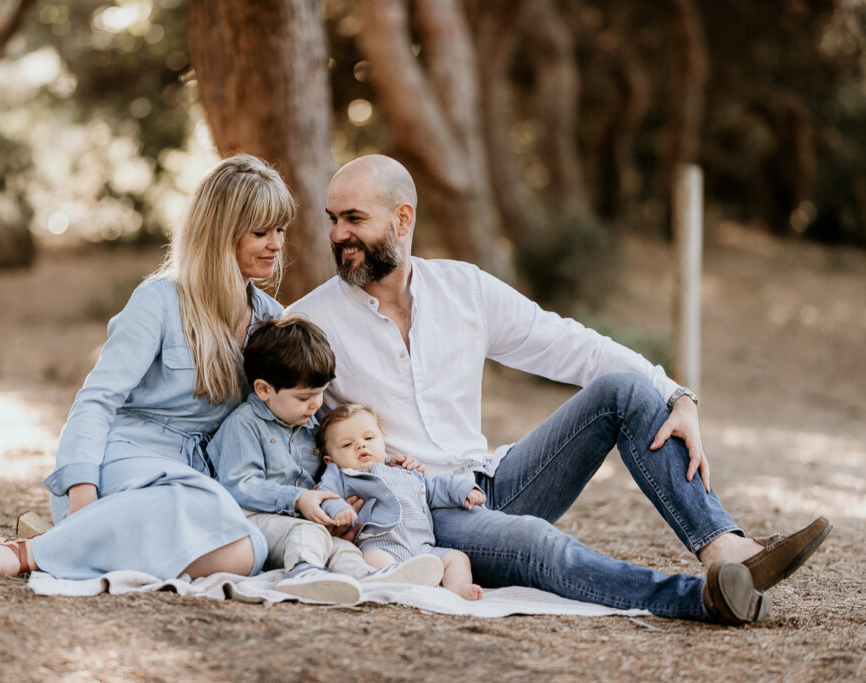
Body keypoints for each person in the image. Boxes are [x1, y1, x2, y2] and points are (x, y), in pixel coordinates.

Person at [288, 153, 832, 624]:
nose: (337, 235)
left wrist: (677, 395)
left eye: (354, 219)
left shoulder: (463, 289)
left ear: (402, 219)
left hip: (493, 480)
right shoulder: (310, 323)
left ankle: (724, 549)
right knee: (538, 543)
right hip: (420, 513)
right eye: (332, 219)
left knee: (622, 389)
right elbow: (273, 422)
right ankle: (704, 598)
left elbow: (572, 345)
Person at [0, 154, 296, 582]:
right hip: (126, 460)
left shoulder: (272, 320)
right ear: (221, 232)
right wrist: (82, 492)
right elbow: (97, 401)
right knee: (202, 506)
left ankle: (79, 543)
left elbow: (287, 414)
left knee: (247, 550)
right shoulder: (158, 301)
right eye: (261, 232)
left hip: (201, 483)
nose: (276, 244)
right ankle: (21, 554)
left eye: (280, 230)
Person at [206, 317, 444, 604]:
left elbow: (336, 470)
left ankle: (370, 578)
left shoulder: (311, 427)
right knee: (306, 532)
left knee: (342, 549)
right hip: (253, 519)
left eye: (321, 392)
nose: (317, 404)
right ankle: (302, 572)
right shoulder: (244, 425)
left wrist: (385, 468)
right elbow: (240, 485)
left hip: (307, 524)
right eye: (305, 397)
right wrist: (298, 499)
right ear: (263, 389)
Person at [316, 403, 486, 601]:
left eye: (369, 438)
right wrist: (339, 510)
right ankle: (412, 585)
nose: (361, 445)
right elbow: (325, 494)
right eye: (347, 444)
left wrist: (465, 490)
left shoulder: (405, 471)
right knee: (371, 558)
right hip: (381, 547)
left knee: (457, 558)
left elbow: (435, 485)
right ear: (330, 460)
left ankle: (456, 588)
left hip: (423, 548)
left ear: (383, 444)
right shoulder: (342, 475)